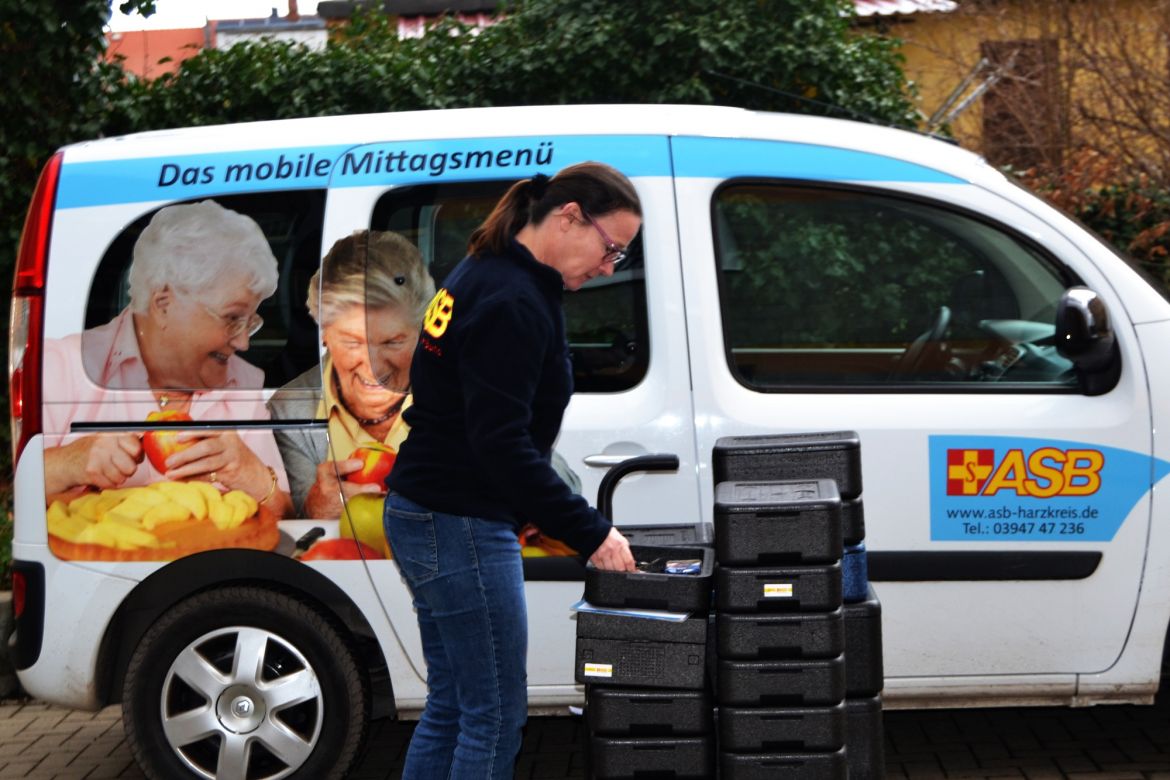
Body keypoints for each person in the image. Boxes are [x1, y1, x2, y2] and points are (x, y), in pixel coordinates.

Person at [384, 162, 642, 779]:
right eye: (612, 249)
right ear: (569, 216)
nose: (610, 268)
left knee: (451, 705)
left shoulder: (486, 270)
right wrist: (592, 532)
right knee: (494, 715)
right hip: (461, 522)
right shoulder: (513, 300)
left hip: (427, 508)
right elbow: (500, 444)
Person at [42, 200, 292, 518]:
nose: (243, 342)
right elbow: (20, 495)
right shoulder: (63, 364)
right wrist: (70, 462)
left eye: (250, 322)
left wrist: (246, 471)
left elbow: (285, 518)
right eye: (232, 319)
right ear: (164, 304)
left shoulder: (241, 383)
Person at [267, 230, 434, 518]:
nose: (374, 368)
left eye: (393, 342)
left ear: (421, 332)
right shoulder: (290, 409)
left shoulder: (460, 394)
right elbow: (297, 533)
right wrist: (315, 506)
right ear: (324, 335)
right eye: (353, 342)